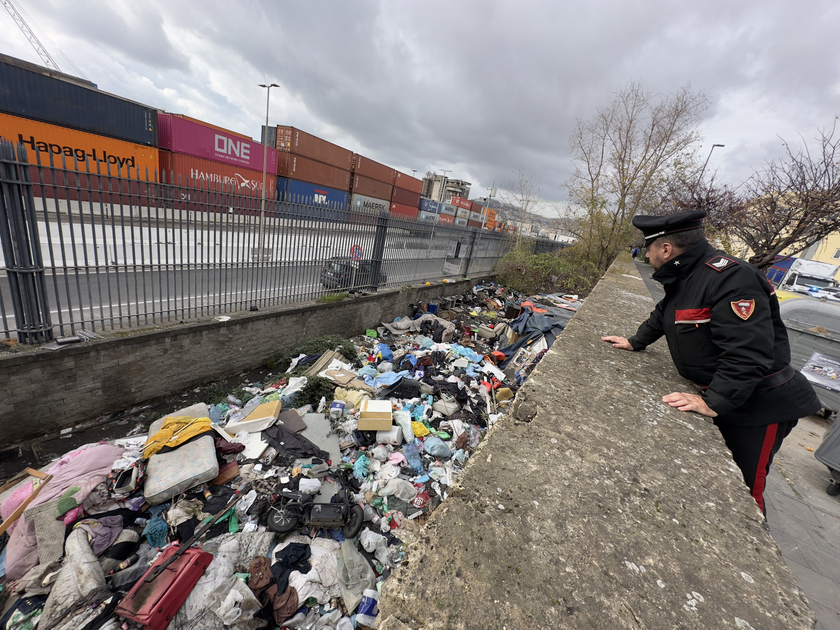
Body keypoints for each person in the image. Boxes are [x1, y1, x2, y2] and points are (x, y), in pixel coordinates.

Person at [601, 210, 820, 514]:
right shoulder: (688, 275)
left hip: (760, 404)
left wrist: (713, 401)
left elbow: (748, 351)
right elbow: (666, 313)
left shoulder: (732, 278)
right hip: (731, 394)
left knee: (744, 494)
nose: (646, 255)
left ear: (666, 249)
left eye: (647, 249)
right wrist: (635, 341)